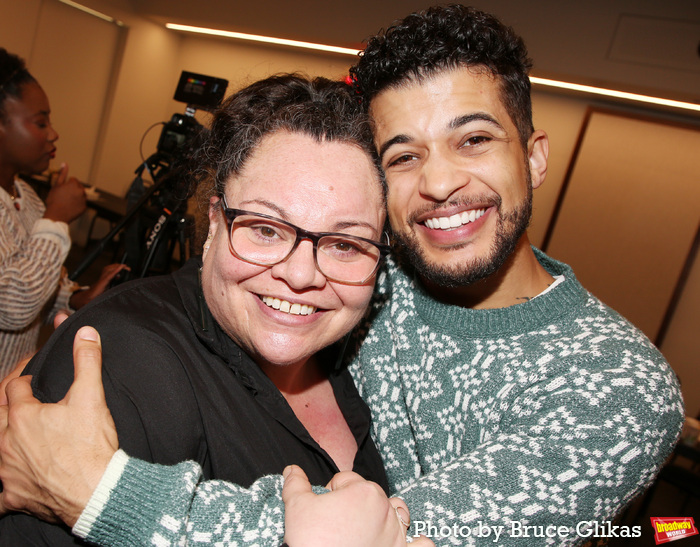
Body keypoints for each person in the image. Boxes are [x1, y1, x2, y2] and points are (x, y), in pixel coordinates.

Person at [0, 5, 684, 546]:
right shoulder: (371, 279)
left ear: (534, 157)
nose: (441, 182)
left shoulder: (620, 386)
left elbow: (382, 534)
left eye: (474, 139)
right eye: (403, 155)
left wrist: (95, 491)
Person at [0, 73, 428, 547]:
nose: (302, 275)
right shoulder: (125, 362)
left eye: (345, 244)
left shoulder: (374, 361)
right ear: (214, 221)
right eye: (266, 229)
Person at [0, 48, 127, 377]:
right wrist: (55, 219)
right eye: (40, 122)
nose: (53, 133)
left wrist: (73, 298)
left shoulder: (26, 197)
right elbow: (13, 305)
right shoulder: (45, 210)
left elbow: (39, 284)